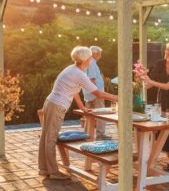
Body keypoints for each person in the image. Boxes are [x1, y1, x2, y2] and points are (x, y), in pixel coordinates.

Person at [38, 46, 118, 180]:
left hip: (52, 103)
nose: (92, 59)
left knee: (46, 136)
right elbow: (97, 92)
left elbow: (74, 92)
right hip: (56, 105)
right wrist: (117, 97)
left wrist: (83, 108)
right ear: (86, 59)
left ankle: (44, 169)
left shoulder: (72, 69)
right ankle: (53, 172)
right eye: (90, 57)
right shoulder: (79, 74)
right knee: (50, 138)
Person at [142, 41, 169, 172]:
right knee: (162, 131)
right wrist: (142, 79)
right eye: (166, 49)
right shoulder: (160, 64)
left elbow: (167, 86)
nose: (167, 52)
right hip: (162, 100)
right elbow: (149, 84)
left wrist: (151, 82)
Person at [82, 46, 109, 140]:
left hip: (88, 93)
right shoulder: (92, 63)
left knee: (89, 116)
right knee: (101, 113)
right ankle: (100, 134)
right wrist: (97, 92)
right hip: (96, 93)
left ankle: (86, 135)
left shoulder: (86, 62)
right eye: (99, 54)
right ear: (95, 54)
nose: (100, 56)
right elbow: (92, 79)